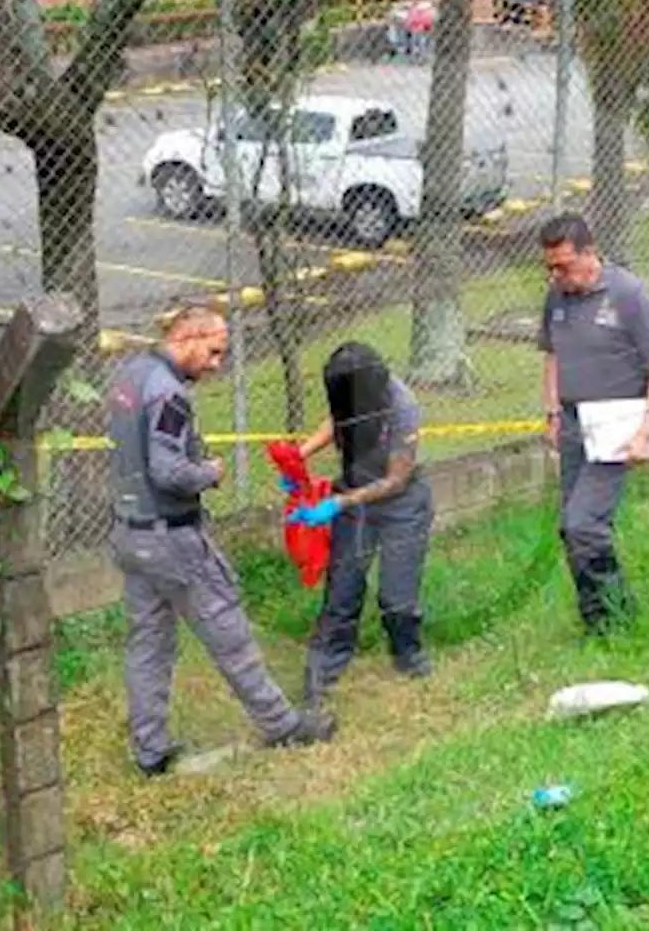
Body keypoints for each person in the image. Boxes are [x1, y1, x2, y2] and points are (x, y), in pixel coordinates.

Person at [106, 306, 336, 777]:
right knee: (227, 629)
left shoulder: (129, 374)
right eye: (213, 352)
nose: (216, 364)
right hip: (172, 538)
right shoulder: (169, 394)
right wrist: (208, 472)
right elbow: (169, 472)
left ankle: (149, 749)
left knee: (147, 642)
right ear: (189, 336)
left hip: (131, 532)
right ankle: (281, 724)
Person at [537, 214, 649, 635]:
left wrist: (646, 431)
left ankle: (618, 618)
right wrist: (551, 413)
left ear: (589, 253)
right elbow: (552, 355)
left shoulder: (628, 294)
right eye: (550, 267)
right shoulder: (556, 296)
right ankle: (599, 622)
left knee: (584, 524)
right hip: (574, 424)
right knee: (571, 528)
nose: (556, 275)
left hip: (618, 423)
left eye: (563, 265)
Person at [282, 341, 435, 705]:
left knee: (397, 598)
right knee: (342, 593)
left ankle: (408, 657)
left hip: (401, 503)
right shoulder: (352, 393)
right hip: (354, 496)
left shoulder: (402, 405)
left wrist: (338, 502)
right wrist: (298, 456)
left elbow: (396, 479)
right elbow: (338, 420)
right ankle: (322, 674)